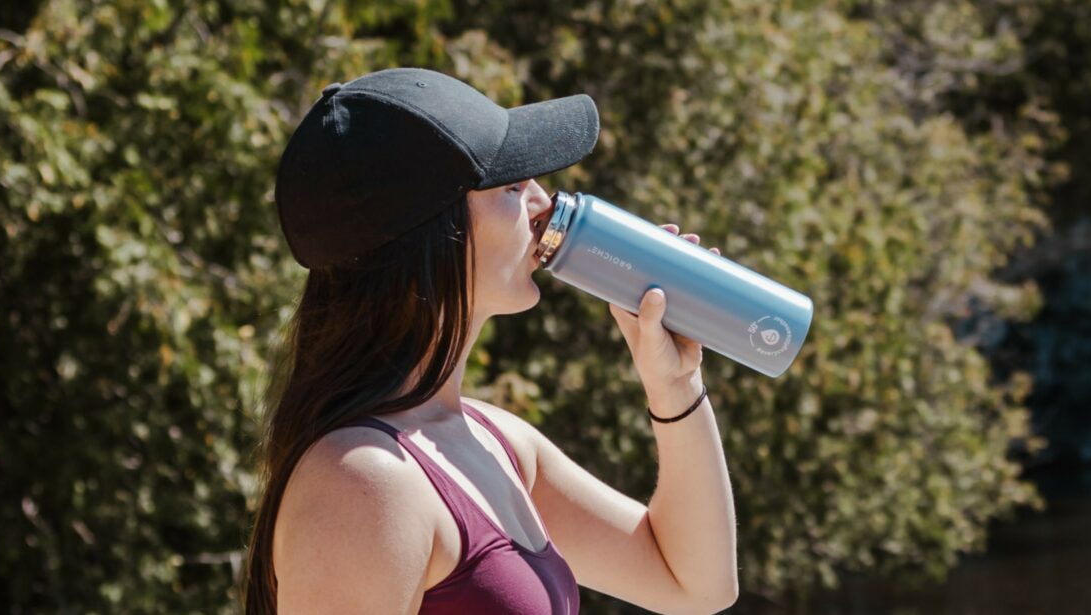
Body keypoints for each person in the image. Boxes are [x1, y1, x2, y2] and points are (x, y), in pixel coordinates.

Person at [242, 67, 738, 614]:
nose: (544, 203)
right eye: (511, 186)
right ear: (432, 235)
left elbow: (695, 584)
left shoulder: (492, 442)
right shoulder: (361, 482)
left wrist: (675, 384)